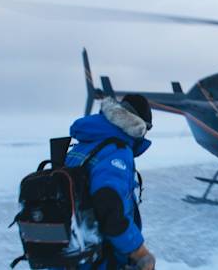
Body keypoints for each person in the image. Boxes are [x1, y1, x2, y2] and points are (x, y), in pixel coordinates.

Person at [65, 94, 156, 270]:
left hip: (70, 254)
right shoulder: (117, 151)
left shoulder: (85, 144)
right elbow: (109, 203)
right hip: (96, 259)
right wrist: (138, 251)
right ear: (139, 126)